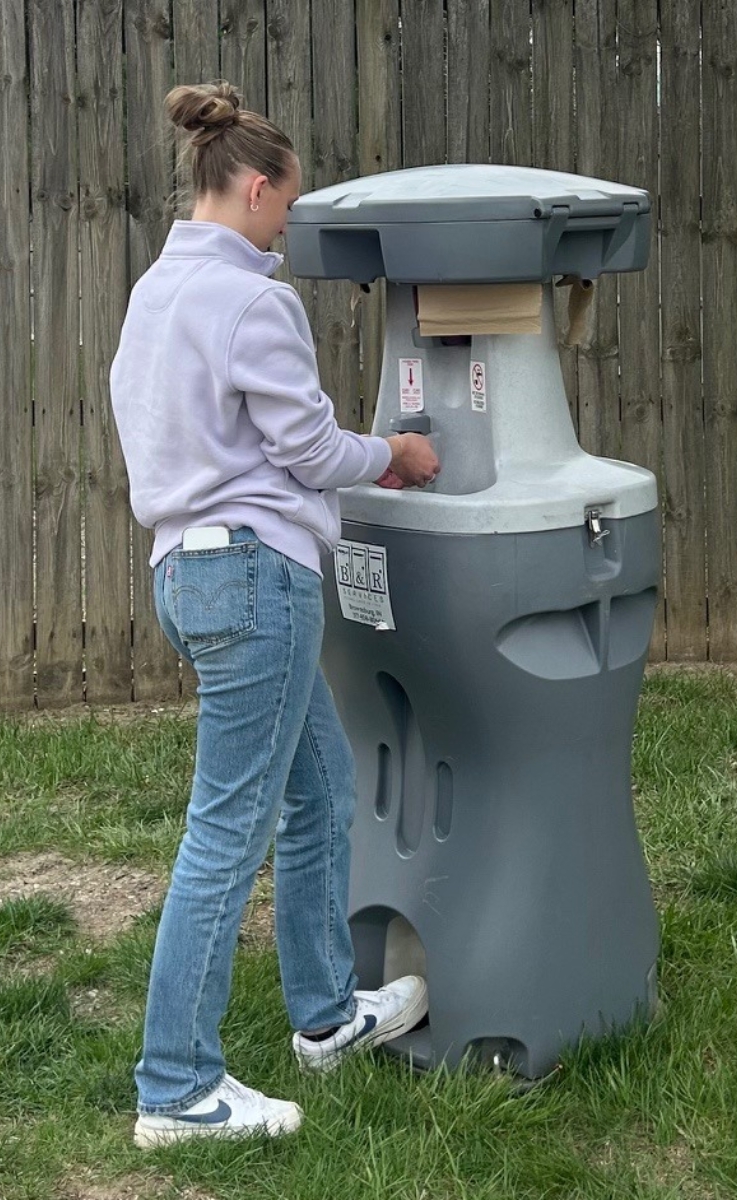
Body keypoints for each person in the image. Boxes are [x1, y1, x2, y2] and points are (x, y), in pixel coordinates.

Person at [109, 81, 440, 1149]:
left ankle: (327, 1018)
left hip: (186, 572)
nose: (287, 235)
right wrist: (393, 455)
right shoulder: (254, 301)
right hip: (256, 580)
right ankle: (177, 1088)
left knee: (320, 790)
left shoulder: (154, 292)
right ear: (254, 190)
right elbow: (310, 451)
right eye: (287, 215)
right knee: (228, 832)